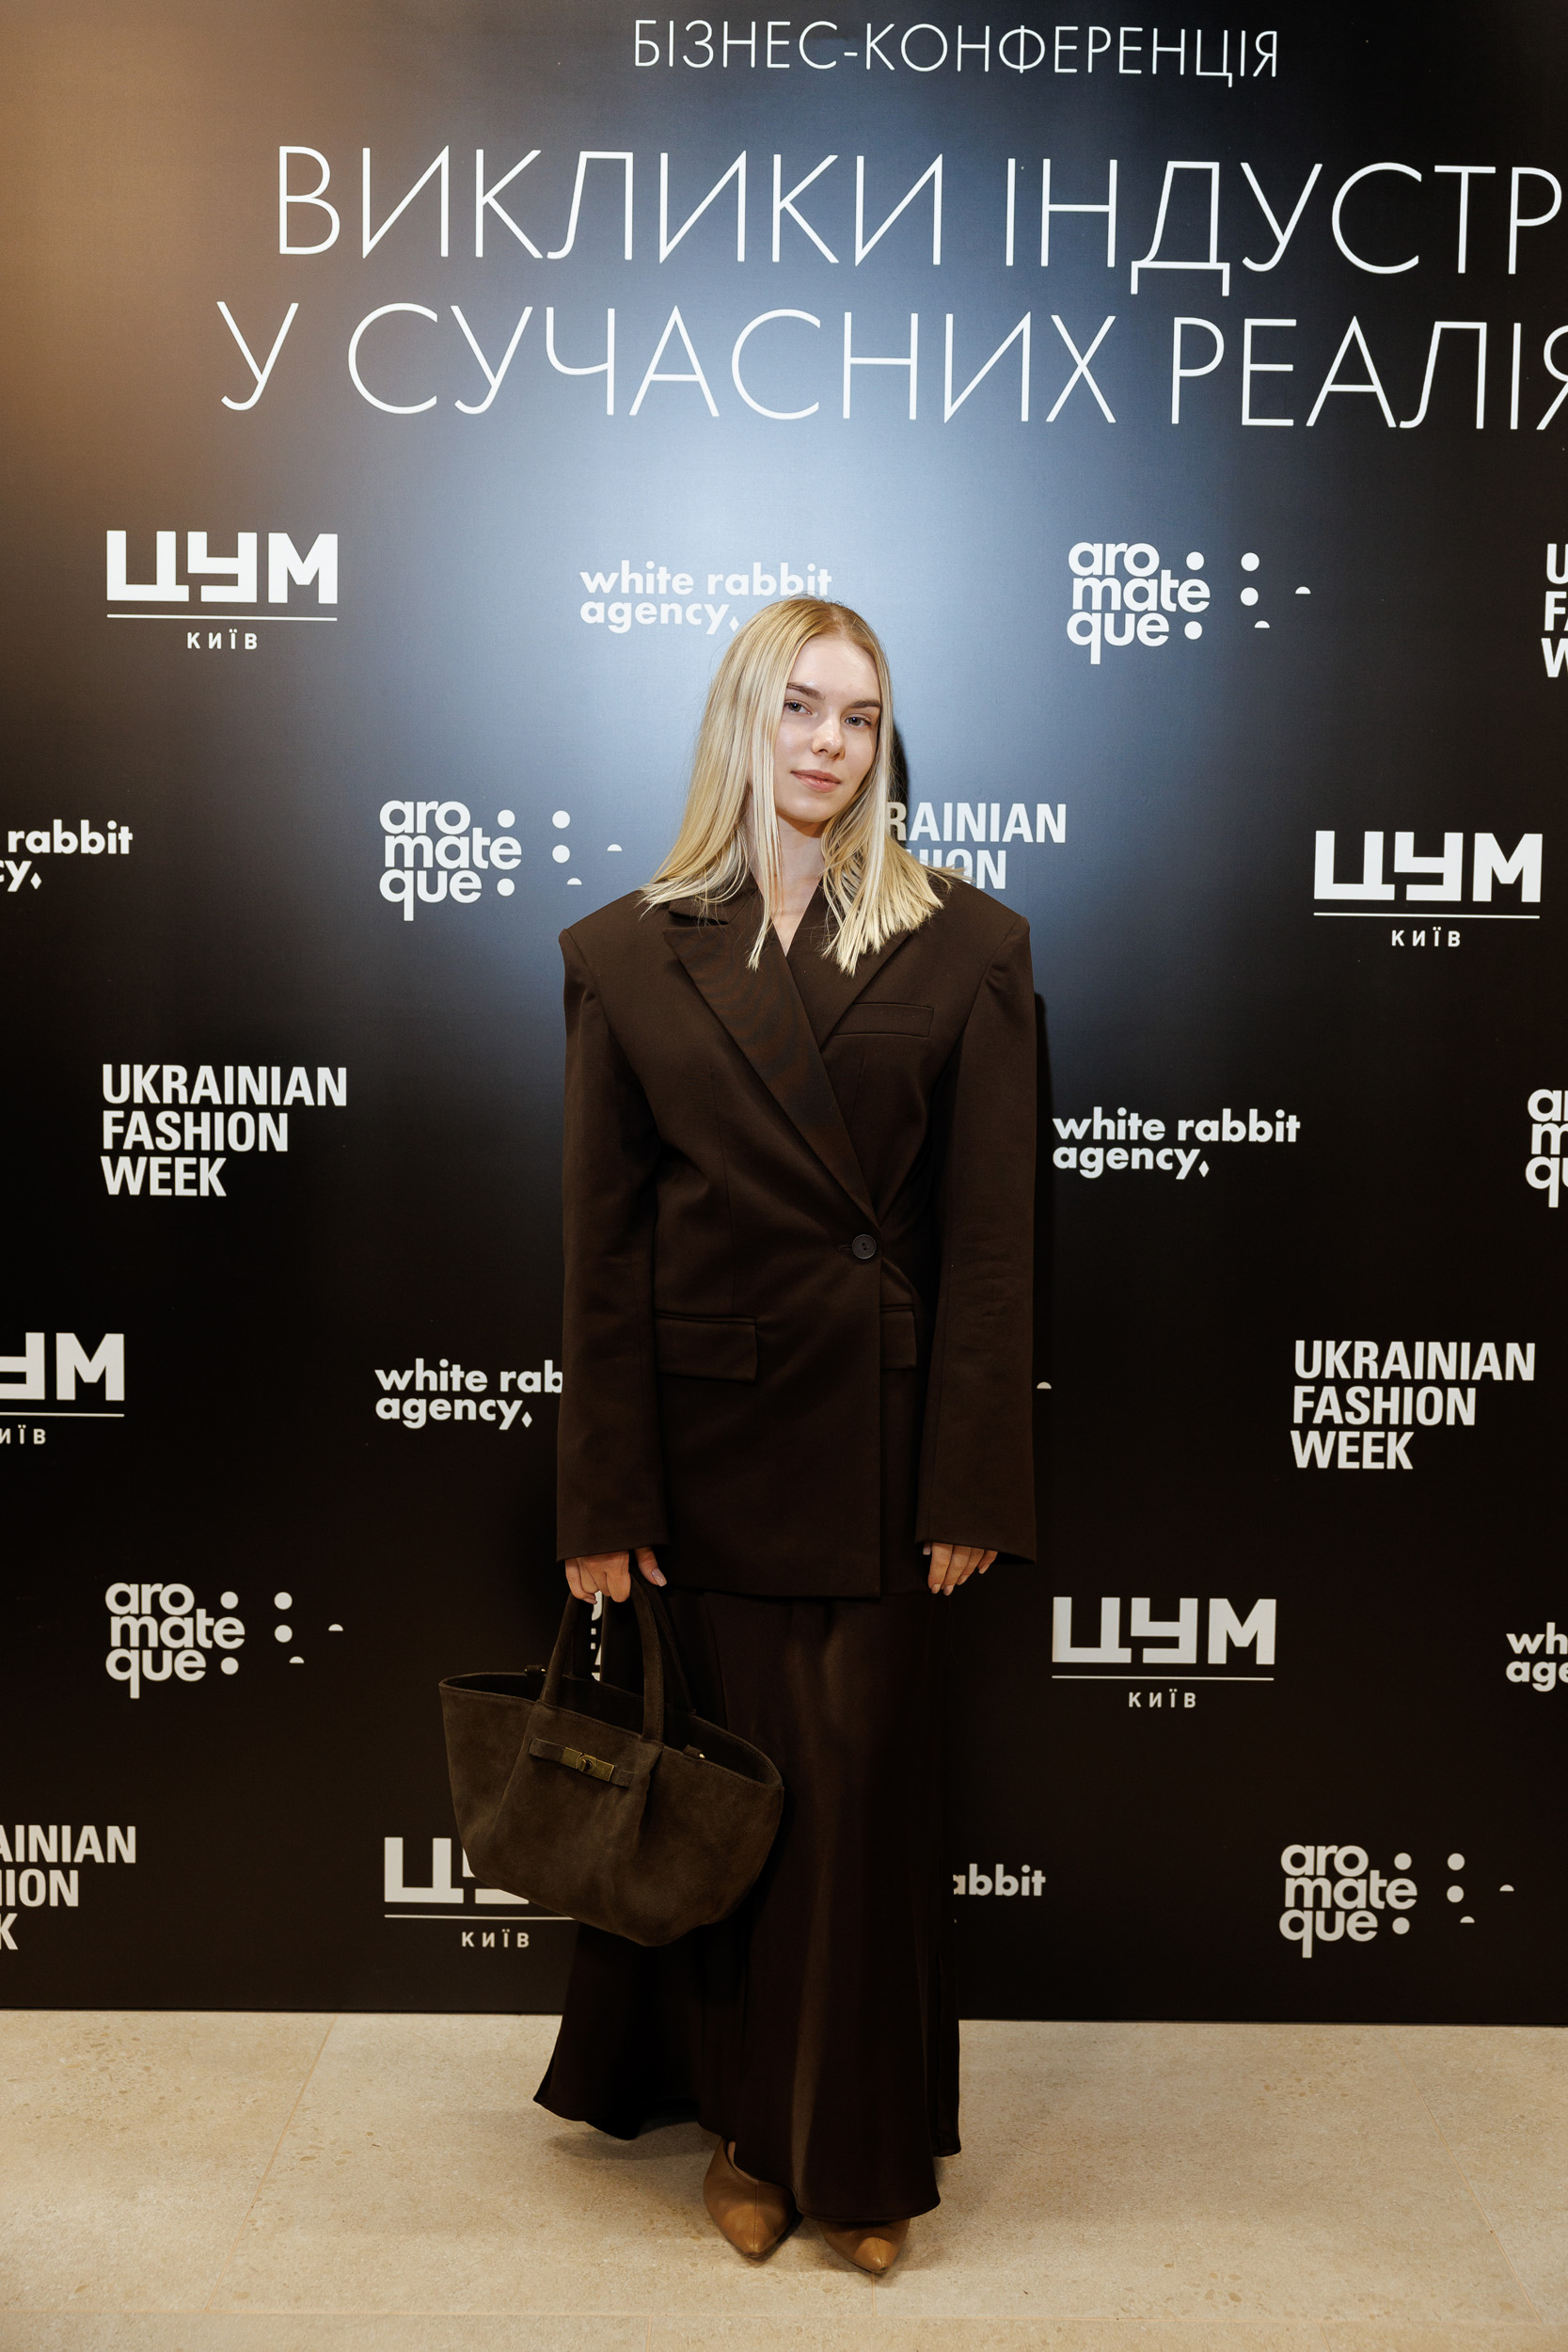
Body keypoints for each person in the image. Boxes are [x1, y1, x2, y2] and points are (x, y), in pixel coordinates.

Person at [535, 596, 1037, 2272]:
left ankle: (863, 2153)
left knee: (864, 1803)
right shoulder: (625, 953)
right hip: (710, 1452)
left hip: (888, 1454)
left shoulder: (968, 945)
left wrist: (973, 1476)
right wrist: (602, 1496)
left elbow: (992, 1246)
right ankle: (754, 2134)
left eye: (862, 717)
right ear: (742, 723)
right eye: (801, 708)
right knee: (738, 1797)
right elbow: (601, 1253)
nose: (831, 743)